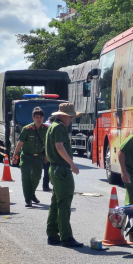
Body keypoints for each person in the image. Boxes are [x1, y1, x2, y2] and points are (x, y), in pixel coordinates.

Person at [45, 103, 83, 247]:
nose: (71, 119)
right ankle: (66, 237)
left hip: (55, 168)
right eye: (70, 116)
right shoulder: (59, 127)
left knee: (56, 201)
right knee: (64, 202)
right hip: (61, 169)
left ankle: (53, 234)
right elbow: (59, 147)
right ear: (62, 116)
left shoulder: (52, 126)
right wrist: (71, 163)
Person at [12, 107, 48, 207]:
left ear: (43, 118)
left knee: (37, 177)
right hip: (26, 156)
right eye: (37, 117)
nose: (39, 119)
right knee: (26, 177)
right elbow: (20, 143)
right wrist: (15, 154)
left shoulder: (46, 129)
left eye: (41, 117)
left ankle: (31, 194)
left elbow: (48, 144)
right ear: (33, 117)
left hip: (38, 157)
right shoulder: (27, 129)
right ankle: (28, 199)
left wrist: (46, 156)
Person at [42, 116, 56, 192]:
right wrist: (46, 156)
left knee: (46, 170)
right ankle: (46, 186)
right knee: (48, 170)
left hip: (41, 151)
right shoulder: (50, 127)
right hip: (47, 152)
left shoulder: (43, 125)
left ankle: (45, 186)